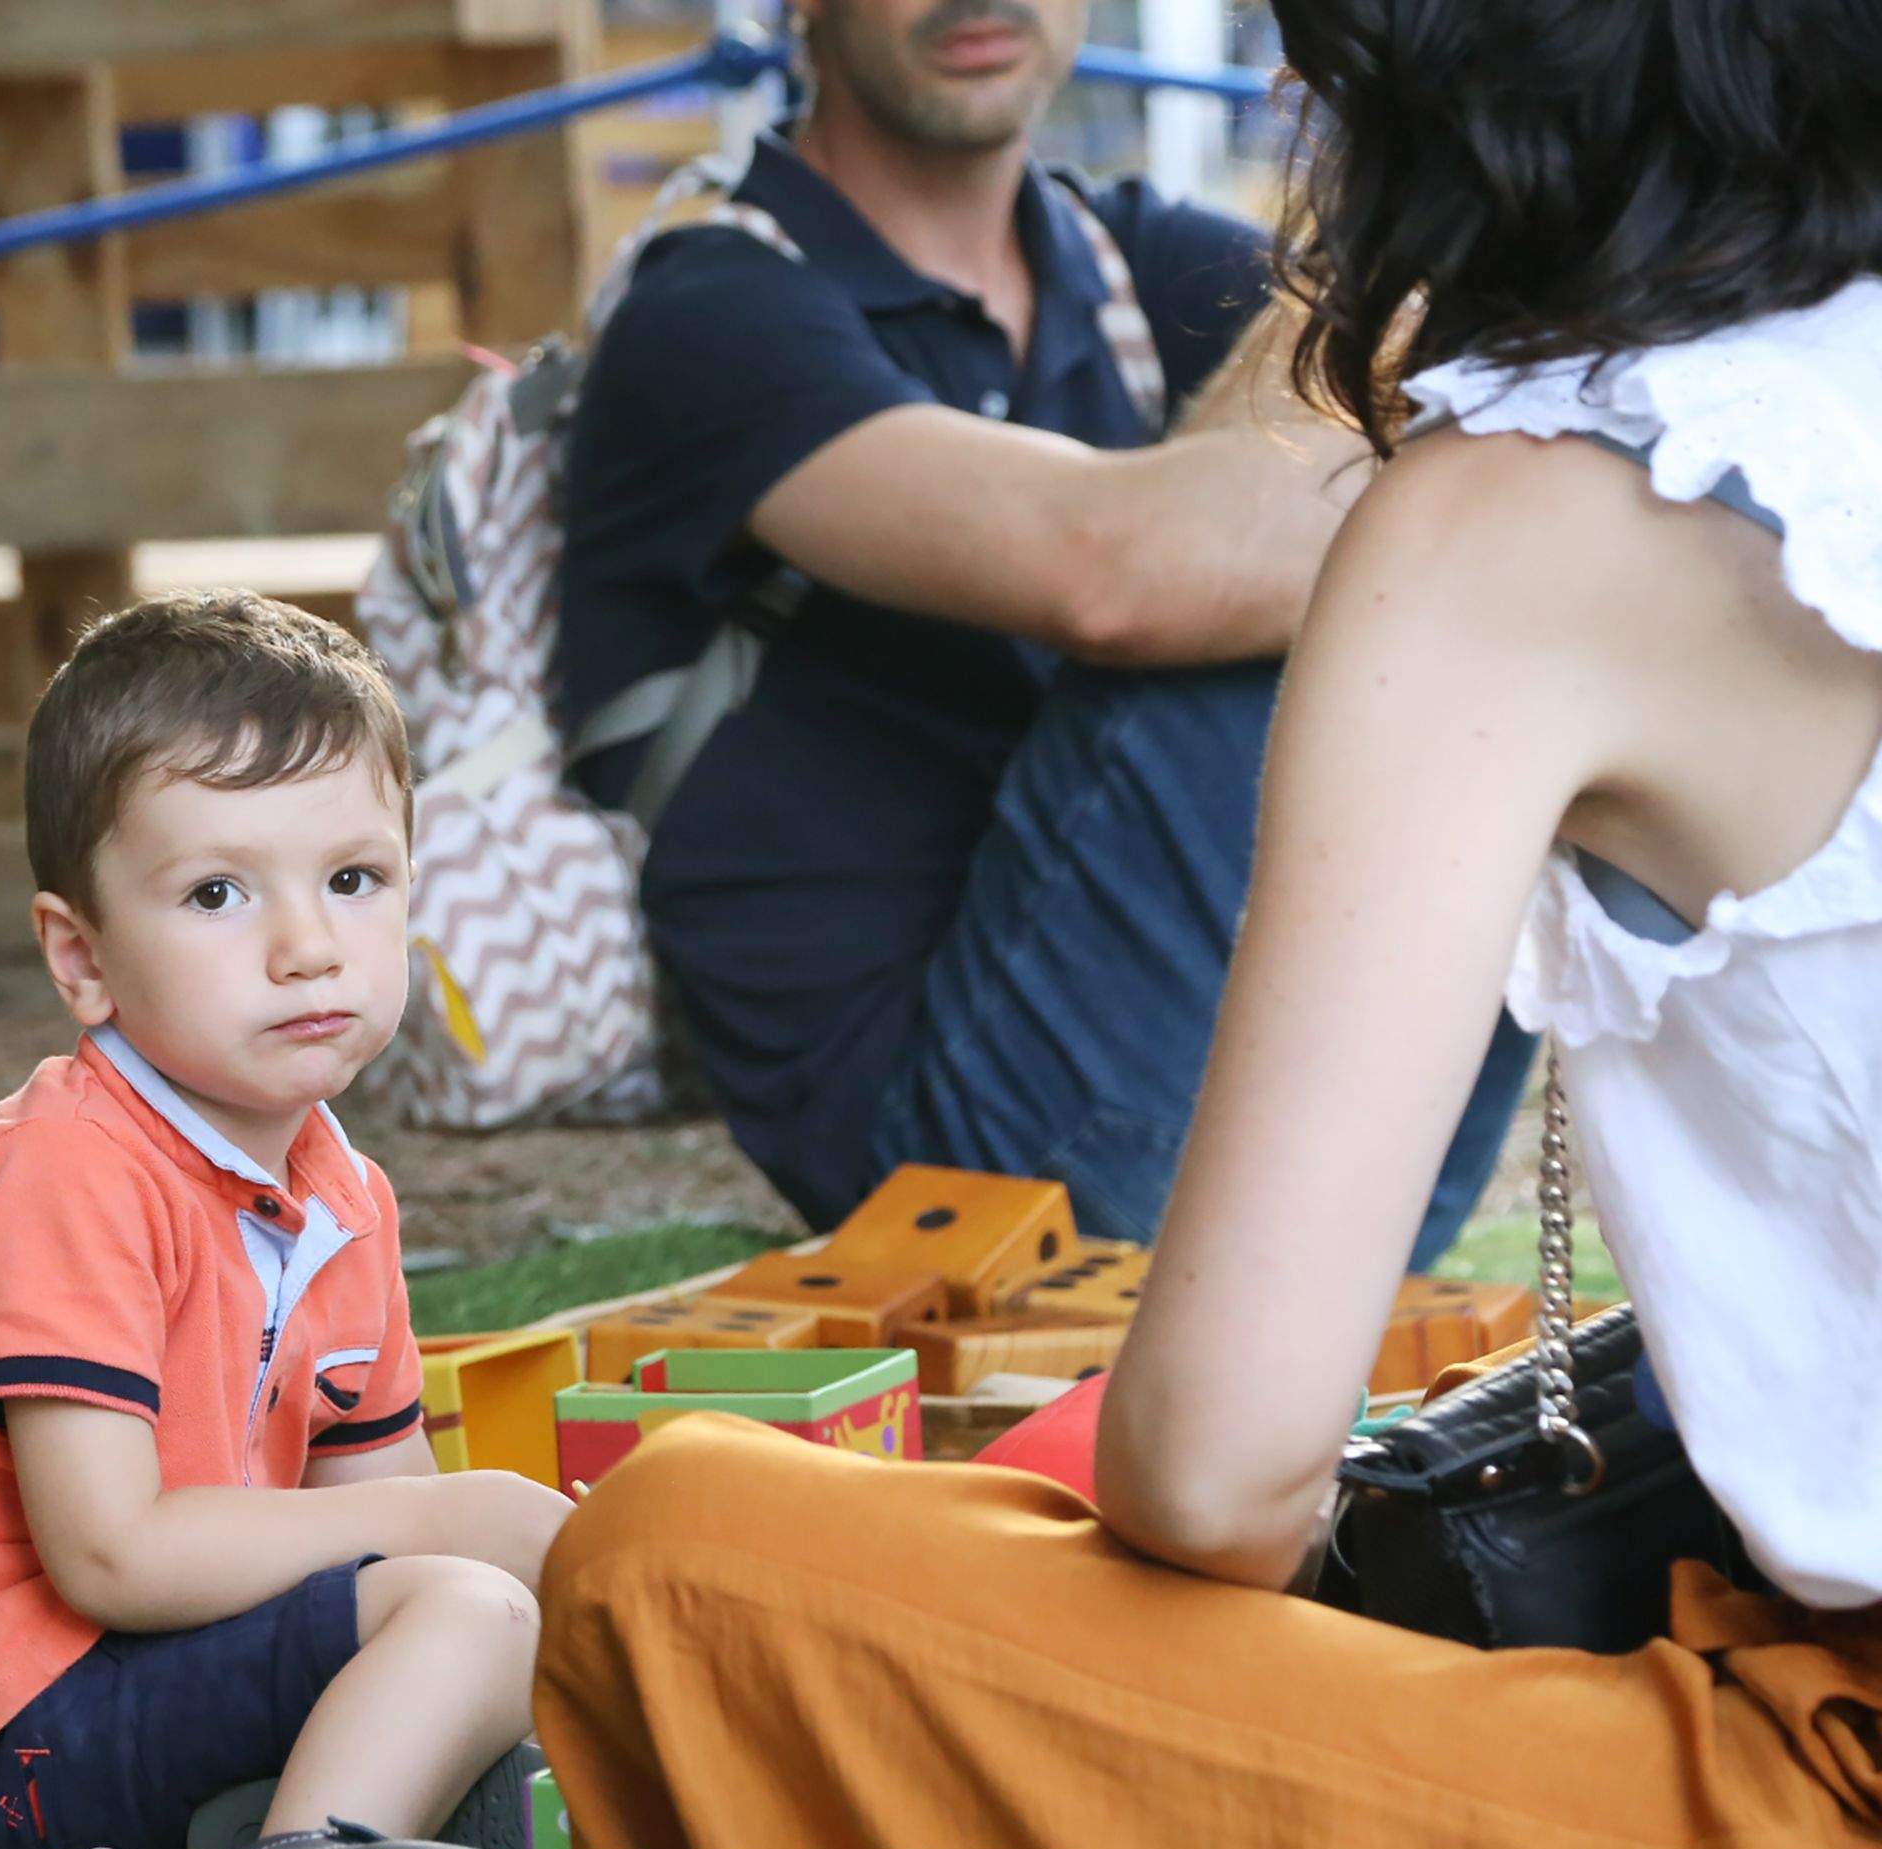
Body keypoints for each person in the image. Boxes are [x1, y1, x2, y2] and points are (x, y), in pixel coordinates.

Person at [535, 0, 1882, 1849]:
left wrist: (1399, 368)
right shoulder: (711, 298)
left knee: (668, 1566)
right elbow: (1122, 569)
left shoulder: (1262, 341)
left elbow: (1210, 1486)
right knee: (1265, 599)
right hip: (948, 1124)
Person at [560, 0, 1536, 1251]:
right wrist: (1404, 207)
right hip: (949, 1159)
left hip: (1194, 1069)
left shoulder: (1126, 257)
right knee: (1329, 604)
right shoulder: (704, 312)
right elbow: (1117, 576)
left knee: (1505, 542)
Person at [0, 592, 573, 1849]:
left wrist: (482, 1545)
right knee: (469, 1593)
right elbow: (112, 1553)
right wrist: (473, 1529)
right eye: (219, 894)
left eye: (354, 878)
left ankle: (398, 1828)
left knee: (506, 1619)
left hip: (159, 1677)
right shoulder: (64, 1172)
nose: (305, 946)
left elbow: (377, 1513)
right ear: (81, 957)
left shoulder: (338, 1186)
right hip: (9, 1736)